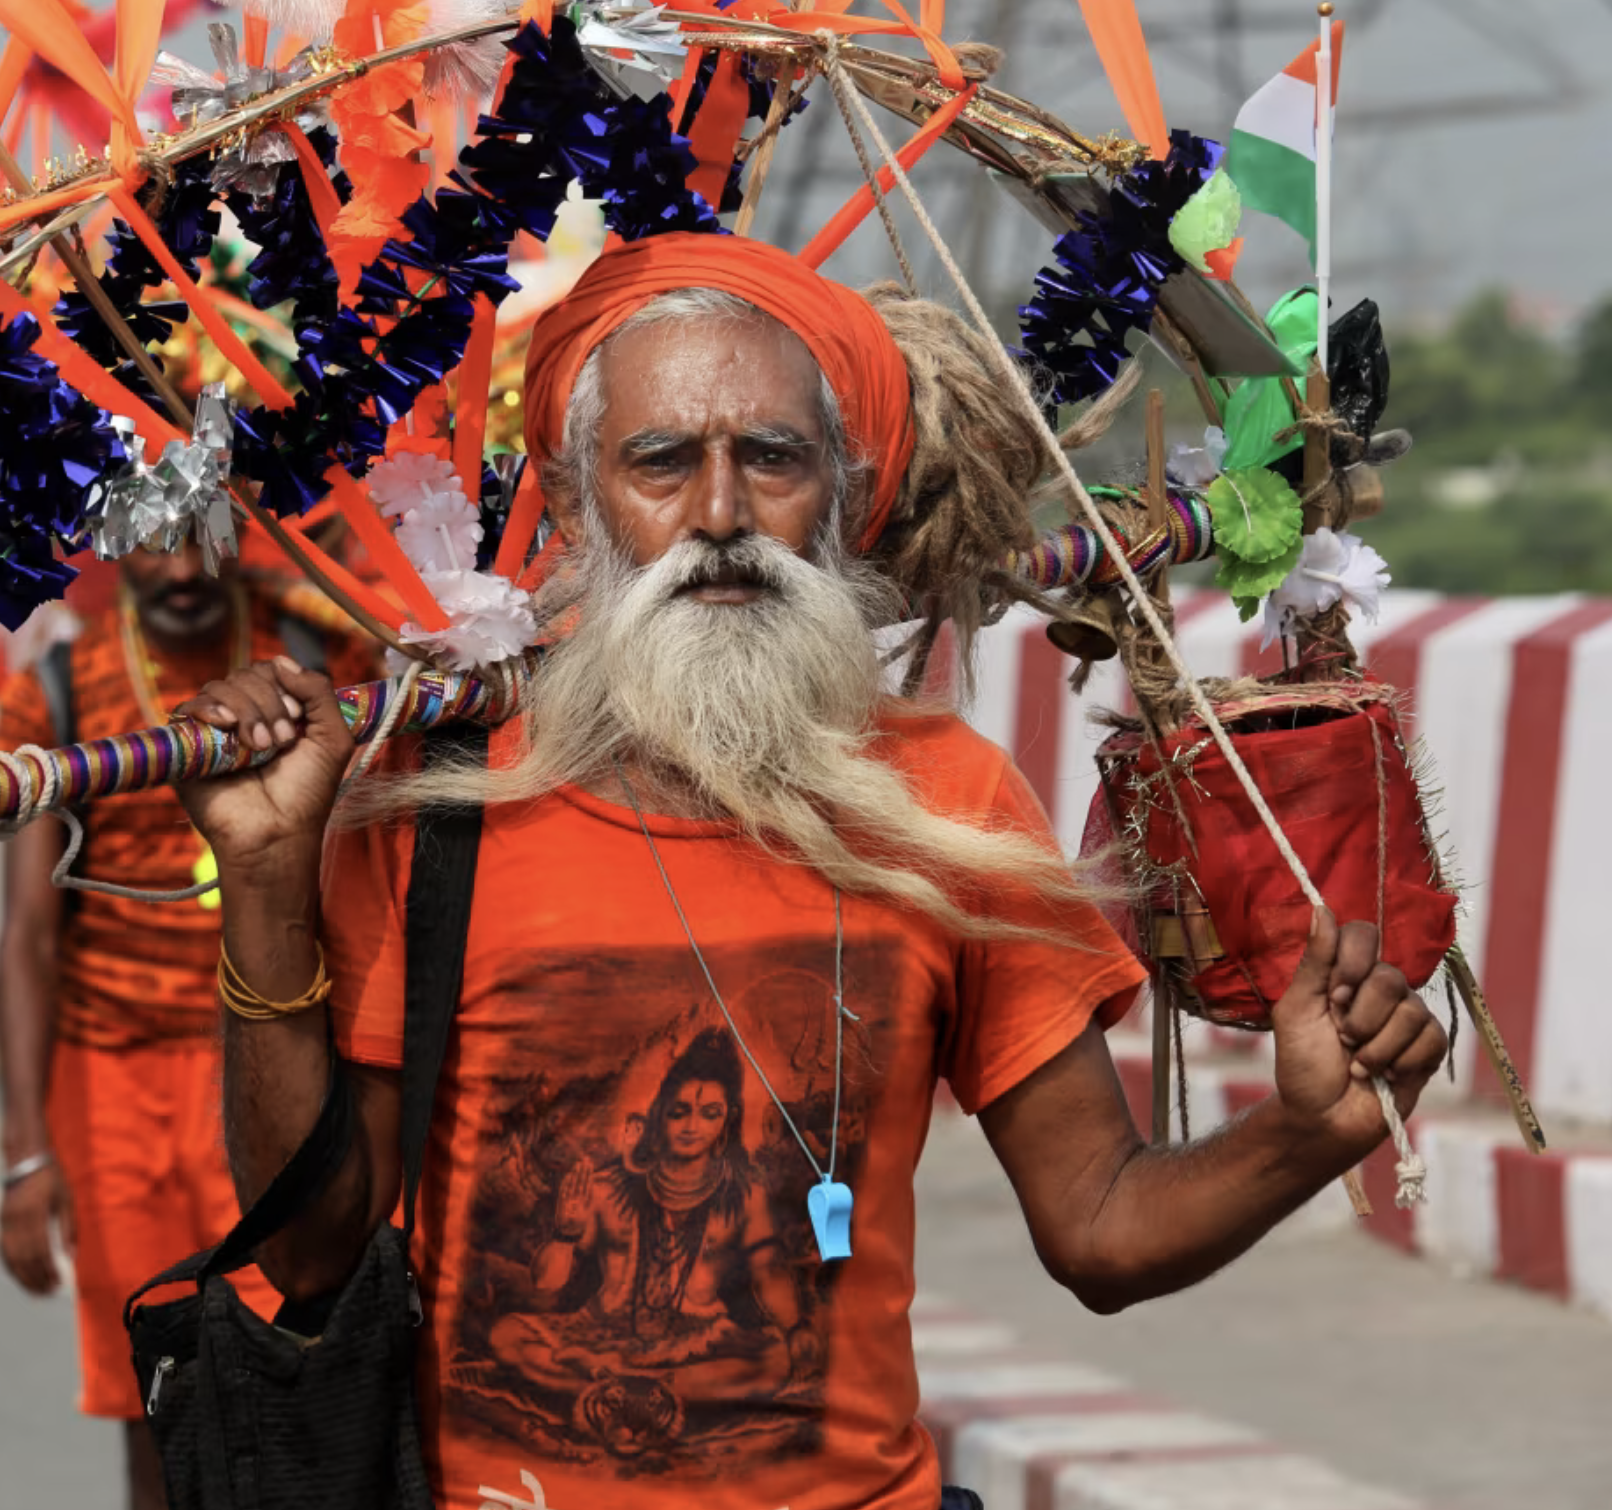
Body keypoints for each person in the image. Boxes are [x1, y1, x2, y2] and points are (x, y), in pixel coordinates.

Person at [174, 235, 1450, 1510]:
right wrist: (267, 880)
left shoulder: (948, 798)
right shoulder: (435, 804)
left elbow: (1101, 1227)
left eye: (772, 458)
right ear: (572, 497)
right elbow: (312, 1252)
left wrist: (1302, 1133)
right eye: (661, 461)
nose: (720, 515)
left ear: (842, 490)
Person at [0, 543, 375, 1510]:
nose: (183, 570)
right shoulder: (56, 689)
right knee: (154, 1387)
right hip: (111, 1082)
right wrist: (25, 1152)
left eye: (204, 534)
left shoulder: (316, 660)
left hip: (280, 1064)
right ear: (115, 544)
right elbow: (28, 937)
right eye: (156, 542)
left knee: (301, 1361)